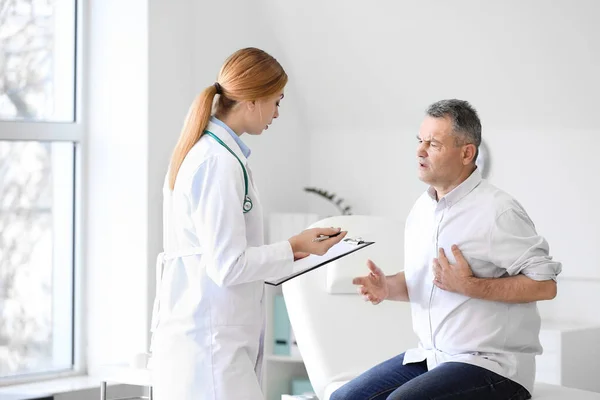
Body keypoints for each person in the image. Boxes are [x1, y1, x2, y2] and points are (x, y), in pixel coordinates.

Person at [149, 47, 347, 400]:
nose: (277, 113)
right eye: (277, 101)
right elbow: (227, 265)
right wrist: (294, 246)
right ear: (253, 100)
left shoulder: (215, 156)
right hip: (210, 348)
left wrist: (298, 251)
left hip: (212, 342)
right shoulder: (217, 163)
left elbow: (224, 256)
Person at [331, 99, 562, 400]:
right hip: (433, 357)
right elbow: (428, 283)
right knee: (344, 398)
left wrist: (471, 286)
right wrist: (387, 286)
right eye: (420, 141)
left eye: (434, 144)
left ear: (467, 152)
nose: (420, 151)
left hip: (492, 366)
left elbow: (545, 285)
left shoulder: (498, 211)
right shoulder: (422, 209)